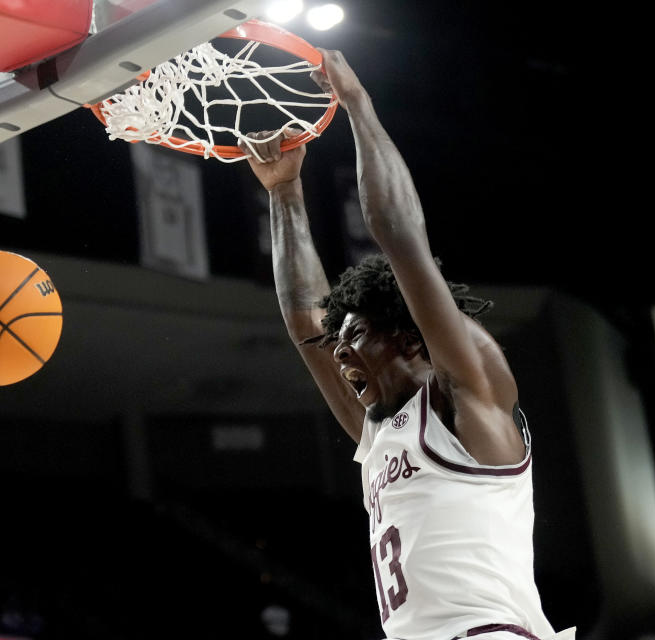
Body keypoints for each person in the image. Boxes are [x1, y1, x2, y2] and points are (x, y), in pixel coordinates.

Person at [239, 50, 575, 640]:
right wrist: (285, 194)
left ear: (411, 337)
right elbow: (305, 324)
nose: (339, 354)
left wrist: (358, 106)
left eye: (357, 336)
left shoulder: (469, 398)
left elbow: (399, 236)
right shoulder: (376, 435)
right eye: (340, 345)